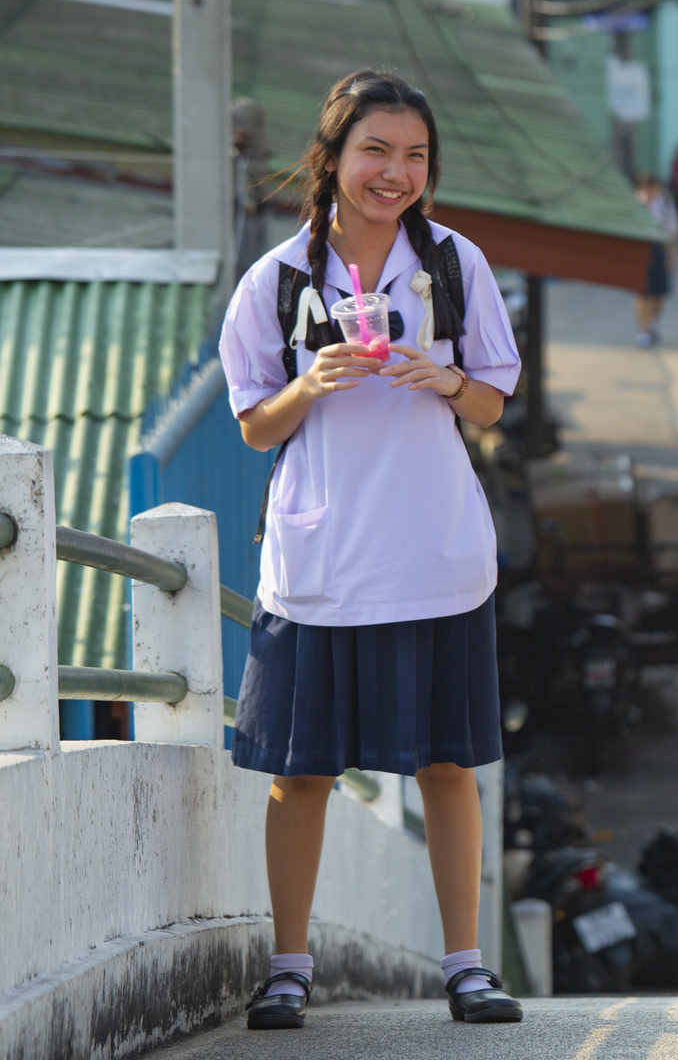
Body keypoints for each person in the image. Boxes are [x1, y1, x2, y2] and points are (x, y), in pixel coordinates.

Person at [219, 69, 522, 1029]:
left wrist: (444, 378)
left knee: (445, 763)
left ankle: (467, 967)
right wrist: (311, 385)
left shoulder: (456, 266)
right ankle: (290, 966)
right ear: (333, 158)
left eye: (415, 156)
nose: (395, 173)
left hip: (430, 546)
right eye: (376, 152)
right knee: (300, 770)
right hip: (323, 558)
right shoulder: (277, 281)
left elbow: (494, 402)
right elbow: (255, 428)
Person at [635, 171, 678, 348]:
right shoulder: (636, 202)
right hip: (641, 250)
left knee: (660, 292)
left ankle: (652, 324)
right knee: (642, 292)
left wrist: (671, 255)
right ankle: (643, 329)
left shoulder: (666, 203)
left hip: (660, 249)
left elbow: (672, 231)